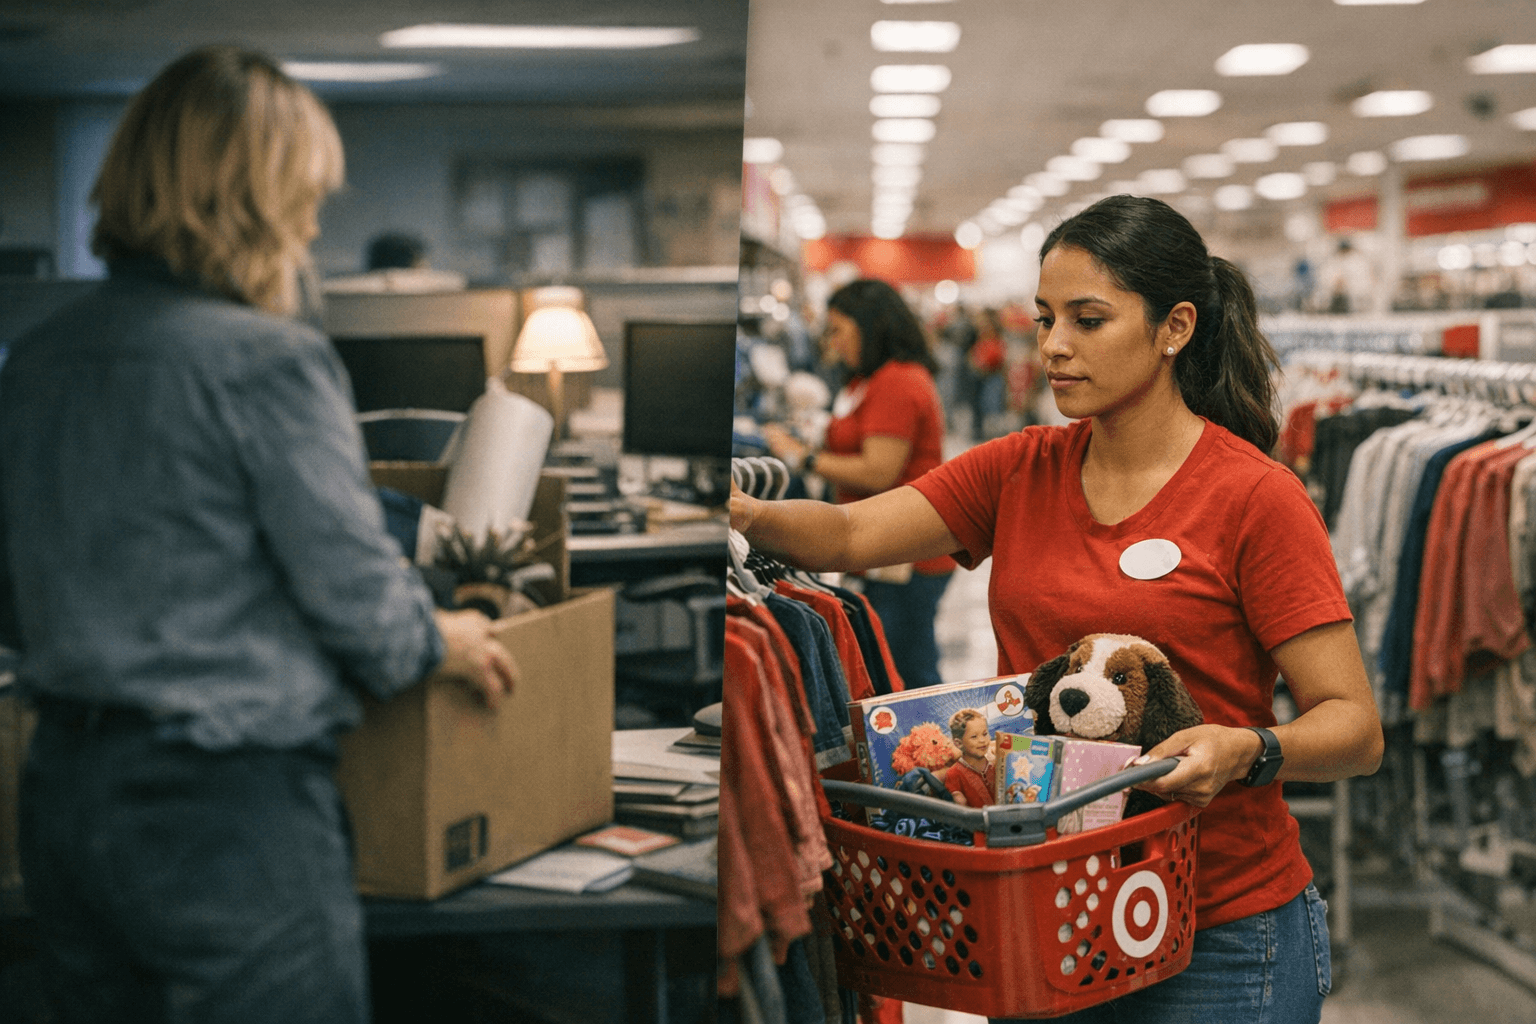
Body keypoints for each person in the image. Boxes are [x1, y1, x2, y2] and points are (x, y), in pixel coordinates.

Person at [732, 195, 1383, 1024]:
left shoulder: (1256, 497)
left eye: (1087, 319)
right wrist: (745, 511)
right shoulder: (1020, 468)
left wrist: (1247, 748)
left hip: (1219, 931)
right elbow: (856, 531)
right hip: (1048, 915)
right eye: (1045, 319)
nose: (1053, 346)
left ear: (1174, 326)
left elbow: (1355, 729)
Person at [0, 46, 517, 1024]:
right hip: (221, 808)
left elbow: (17, 599)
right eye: (304, 196)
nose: (316, 225)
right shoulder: (265, 361)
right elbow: (362, 606)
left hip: (63, 793)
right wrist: (445, 635)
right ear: (251, 199)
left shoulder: (39, 358)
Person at [762, 278, 955, 689]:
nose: (833, 342)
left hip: (908, 554)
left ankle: (930, 750)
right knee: (890, 663)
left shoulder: (898, 381)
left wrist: (805, 458)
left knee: (906, 671)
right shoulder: (867, 380)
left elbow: (877, 471)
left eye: (839, 330)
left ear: (869, 326)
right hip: (888, 548)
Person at [941, 707, 994, 808]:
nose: (982, 740)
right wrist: (957, 797)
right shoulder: (954, 773)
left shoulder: (996, 764)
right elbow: (958, 803)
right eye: (974, 737)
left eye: (985, 734)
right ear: (958, 743)